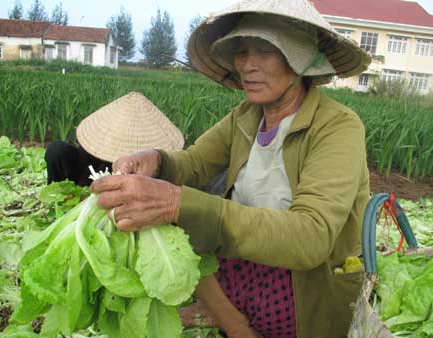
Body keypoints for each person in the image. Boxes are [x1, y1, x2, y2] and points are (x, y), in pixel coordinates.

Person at [90, 0, 372, 337]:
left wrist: (177, 203)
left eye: (264, 50)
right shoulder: (246, 117)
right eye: (241, 51)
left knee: (193, 210)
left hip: (302, 286)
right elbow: (194, 163)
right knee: (193, 211)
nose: (247, 65)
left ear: (299, 58)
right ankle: (230, 318)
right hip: (242, 261)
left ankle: (234, 323)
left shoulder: (337, 126)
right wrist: (157, 159)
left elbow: (311, 237)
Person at [44, 92, 184, 187]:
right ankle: (58, 198)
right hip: (85, 177)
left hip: (120, 184)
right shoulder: (99, 142)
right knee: (56, 150)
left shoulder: (146, 162)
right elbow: (85, 168)